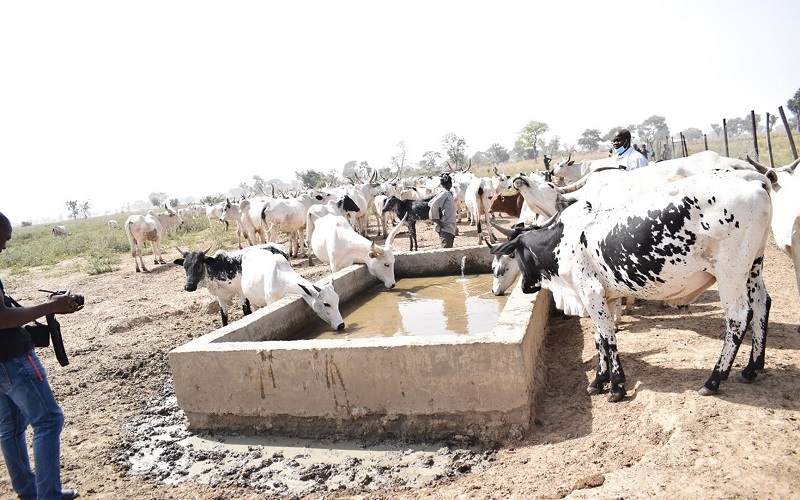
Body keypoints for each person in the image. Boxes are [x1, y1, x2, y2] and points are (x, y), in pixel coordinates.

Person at [0, 212, 82, 500]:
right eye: (3, 239)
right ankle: (48, 495)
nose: (4, 246)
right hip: (13, 358)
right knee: (48, 420)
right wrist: (50, 307)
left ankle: (28, 491)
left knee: (11, 427)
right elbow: (2, 318)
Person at [428, 173, 457, 248]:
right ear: (450, 183)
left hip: (449, 227)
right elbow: (434, 204)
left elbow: (430, 203)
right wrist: (436, 220)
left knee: (448, 250)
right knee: (446, 251)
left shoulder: (446, 193)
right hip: (446, 228)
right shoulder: (445, 193)